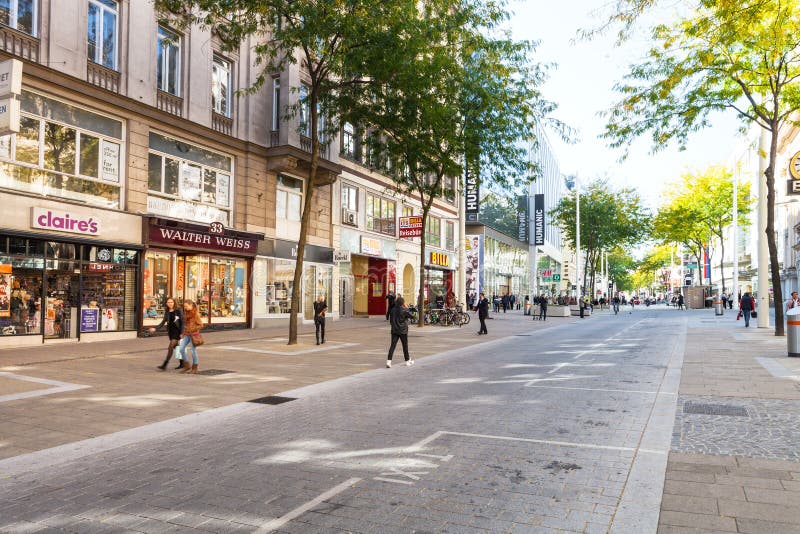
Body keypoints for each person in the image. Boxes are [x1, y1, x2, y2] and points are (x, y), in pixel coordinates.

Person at [150, 297, 184, 371]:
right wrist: (155, 328)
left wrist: (182, 332)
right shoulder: (167, 311)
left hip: (177, 332)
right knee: (177, 348)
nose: (170, 304)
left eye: (171, 302)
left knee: (170, 347)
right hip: (171, 332)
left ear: (174, 302)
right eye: (168, 302)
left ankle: (165, 364)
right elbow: (163, 322)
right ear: (166, 303)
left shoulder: (178, 310)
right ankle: (182, 363)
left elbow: (182, 322)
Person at [386, 296, 415, 368]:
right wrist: (406, 308)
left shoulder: (393, 310)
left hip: (394, 330)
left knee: (392, 346)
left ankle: (388, 362)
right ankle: (407, 361)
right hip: (403, 331)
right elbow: (412, 316)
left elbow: (391, 321)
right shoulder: (404, 310)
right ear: (403, 303)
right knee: (405, 346)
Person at [178, 299, 203, 374]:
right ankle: (187, 365)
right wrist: (183, 333)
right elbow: (185, 325)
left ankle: (195, 367)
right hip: (186, 334)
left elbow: (201, 325)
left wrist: (192, 329)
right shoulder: (186, 313)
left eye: (186, 306)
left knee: (193, 350)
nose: (185, 308)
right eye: (184, 306)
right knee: (181, 348)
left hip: (193, 335)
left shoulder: (196, 314)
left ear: (191, 305)